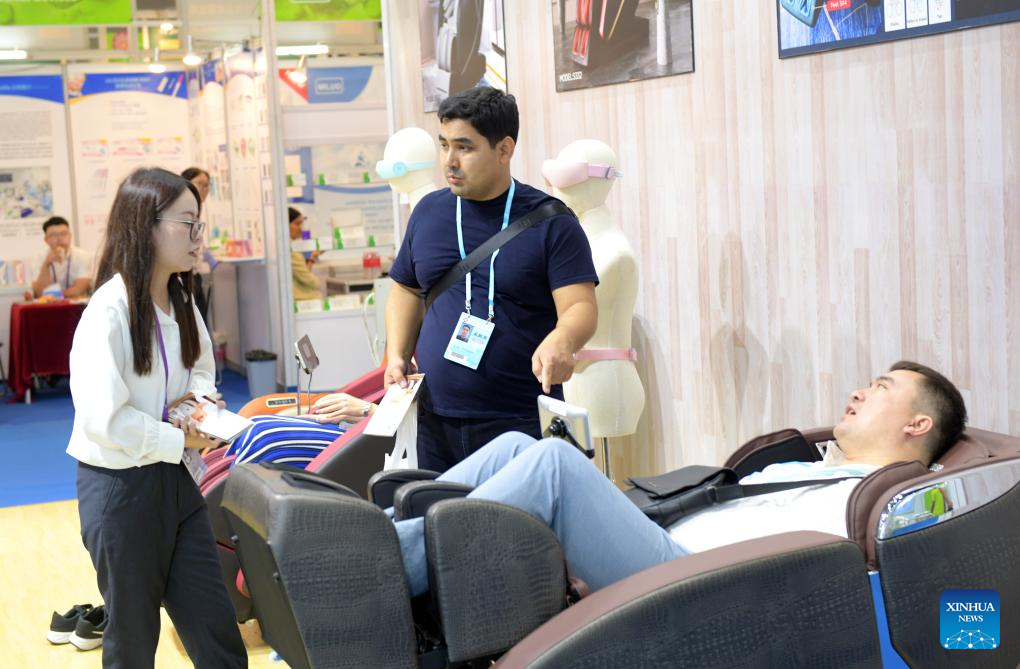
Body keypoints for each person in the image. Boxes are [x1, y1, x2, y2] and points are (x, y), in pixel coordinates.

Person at [363, 361, 967, 596]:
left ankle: (378, 571)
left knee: (555, 463)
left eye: (880, 389)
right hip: (664, 539)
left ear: (917, 424)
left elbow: (947, 572)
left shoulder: (888, 499)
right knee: (519, 445)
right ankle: (378, 532)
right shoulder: (811, 465)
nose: (858, 391)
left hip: (694, 582)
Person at [67, 168, 246, 668]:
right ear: (146, 225)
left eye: (198, 223)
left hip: (179, 483)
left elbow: (202, 368)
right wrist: (180, 440)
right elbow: (104, 420)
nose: (197, 236)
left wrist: (201, 408)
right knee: (133, 638)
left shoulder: (181, 297)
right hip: (121, 490)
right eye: (187, 223)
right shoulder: (109, 311)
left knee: (216, 628)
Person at [386, 87, 599, 472]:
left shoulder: (552, 222)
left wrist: (563, 339)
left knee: (509, 513)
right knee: (438, 510)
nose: (449, 161)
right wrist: (397, 354)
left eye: (464, 147)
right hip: (434, 419)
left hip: (517, 419)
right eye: (444, 145)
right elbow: (405, 287)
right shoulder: (429, 212)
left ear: (504, 149)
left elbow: (580, 305)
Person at [226, 393, 377, 467]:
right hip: (370, 423)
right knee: (255, 423)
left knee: (264, 437)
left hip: (380, 440)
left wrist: (368, 409)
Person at [29, 216, 93, 298]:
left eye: (63, 234)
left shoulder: (83, 256)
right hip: (48, 305)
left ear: (70, 236)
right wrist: (46, 264)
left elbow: (79, 290)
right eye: (54, 235)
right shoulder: (38, 258)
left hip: (77, 304)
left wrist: (56, 296)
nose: (59, 238)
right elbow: (40, 292)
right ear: (46, 240)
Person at [181, 167, 212, 326]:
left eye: (207, 185)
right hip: (184, 277)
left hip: (195, 276)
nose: (204, 189)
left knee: (201, 324)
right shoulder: (182, 211)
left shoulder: (199, 210)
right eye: (200, 184)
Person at [288, 207, 322, 302]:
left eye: (301, 224)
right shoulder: (292, 252)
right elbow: (312, 282)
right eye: (297, 224)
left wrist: (312, 257)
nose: (301, 228)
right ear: (284, 225)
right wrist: (317, 281)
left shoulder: (291, 248)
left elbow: (302, 274)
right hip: (301, 301)